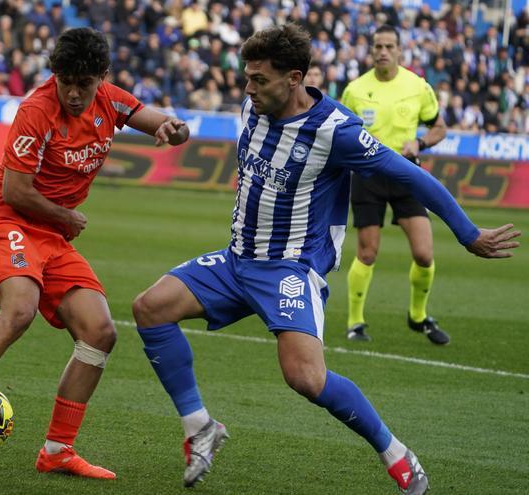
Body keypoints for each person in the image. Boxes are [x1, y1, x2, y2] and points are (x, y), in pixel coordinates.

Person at [131, 24, 519, 492]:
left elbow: (411, 178)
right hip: (236, 261)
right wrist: (181, 129)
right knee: (149, 309)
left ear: (294, 78)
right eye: (247, 77)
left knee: (305, 377)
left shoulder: (336, 131)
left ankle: (397, 453)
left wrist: (468, 232)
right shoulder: (253, 106)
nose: (248, 89)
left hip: (288, 269)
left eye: (260, 80)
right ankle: (200, 427)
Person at [0, 27, 190, 479]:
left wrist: (175, 129)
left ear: (102, 77)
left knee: (100, 332)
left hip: (52, 236)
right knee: (20, 308)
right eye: (66, 83)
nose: (74, 94)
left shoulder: (111, 100)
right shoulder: (36, 110)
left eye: (85, 84)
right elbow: (17, 192)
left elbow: (164, 124)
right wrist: (65, 216)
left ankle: (58, 449)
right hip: (9, 223)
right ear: (54, 75)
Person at [340, 25, 451, 344]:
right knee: (368, 252)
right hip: (368, 176)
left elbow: (439, 127)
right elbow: (343, 132)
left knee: (424, 254)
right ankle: (355, 322)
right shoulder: (355, 89)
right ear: (371, 50)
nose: (383, 51)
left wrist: (420, 142)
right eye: (377, 46)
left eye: (389, 46)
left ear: (400, 51)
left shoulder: (417, 86)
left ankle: (418, 316)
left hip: (406, 174)